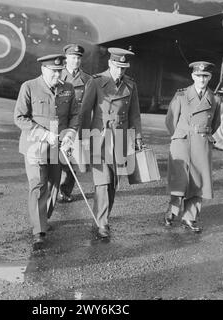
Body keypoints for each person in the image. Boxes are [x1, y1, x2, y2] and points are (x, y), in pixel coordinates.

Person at [14, 54, 79, 247]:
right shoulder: (29, 87)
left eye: (60, 70)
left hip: (57, 148)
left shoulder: (67, 88)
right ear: (43, 70)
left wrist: (69, 135)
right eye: (54, 71)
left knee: (53, 186)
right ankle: (39, 230)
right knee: (38, 186)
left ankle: (43, 218)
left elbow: (74, 115)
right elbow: (19, 117)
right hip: (35, 147)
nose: (57, 74)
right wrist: (44, 134)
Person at [78, 47, 142, 238]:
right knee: (103, 181)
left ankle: (100, 218)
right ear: (110, 64)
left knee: (113, 182)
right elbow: (84, 112)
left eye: (124, 68)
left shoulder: (130, 85)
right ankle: (102, 223)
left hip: (121, 138)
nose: (120, 71)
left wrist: (137, 137)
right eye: (117, 67)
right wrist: (83, 139)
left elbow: (135, 114)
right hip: (100, 137)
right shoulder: (96, 82)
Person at [164, 61, 221, 233]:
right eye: (198, 76)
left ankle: (190, 217)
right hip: (182, 141)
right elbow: (170, 121)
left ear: (210, 77)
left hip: (201, 143)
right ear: (192, 76)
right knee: (179, 179)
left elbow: (215, 123)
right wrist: (180, 135)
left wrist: (200, 133)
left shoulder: (215, 99)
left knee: (198, 182)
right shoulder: (181, 95)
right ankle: (172, 211)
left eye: (205, 76)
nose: (202, 79)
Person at [58, 44, 92, 203]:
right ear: (66, 59)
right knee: (56, 158)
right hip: (62, 124)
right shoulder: (57, 75)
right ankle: (55, 189)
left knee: (72, 159)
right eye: (73, 57)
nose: (76, 61)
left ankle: (65, 190)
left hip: (78, 125)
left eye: (78, 58)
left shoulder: (87, 79)